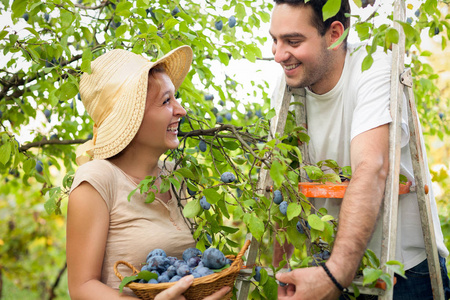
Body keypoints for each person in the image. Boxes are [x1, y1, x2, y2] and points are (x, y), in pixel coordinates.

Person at [268, 1, 450, 299]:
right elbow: (284, 186)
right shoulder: (289, 86)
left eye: (293, 41)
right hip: (325, 264)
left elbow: (372, 167)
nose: (278, 55)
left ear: (335, 33)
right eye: (274, 40)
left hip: (402, 273)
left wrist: (335, 274)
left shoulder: (375, 65)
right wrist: (283, 273)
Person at [66, 46, 230, 299]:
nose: (180, 110)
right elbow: (81, 288)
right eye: (166, 101)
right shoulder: (97, 179)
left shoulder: (176, 177)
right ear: (131, 117)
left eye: (175, 98)